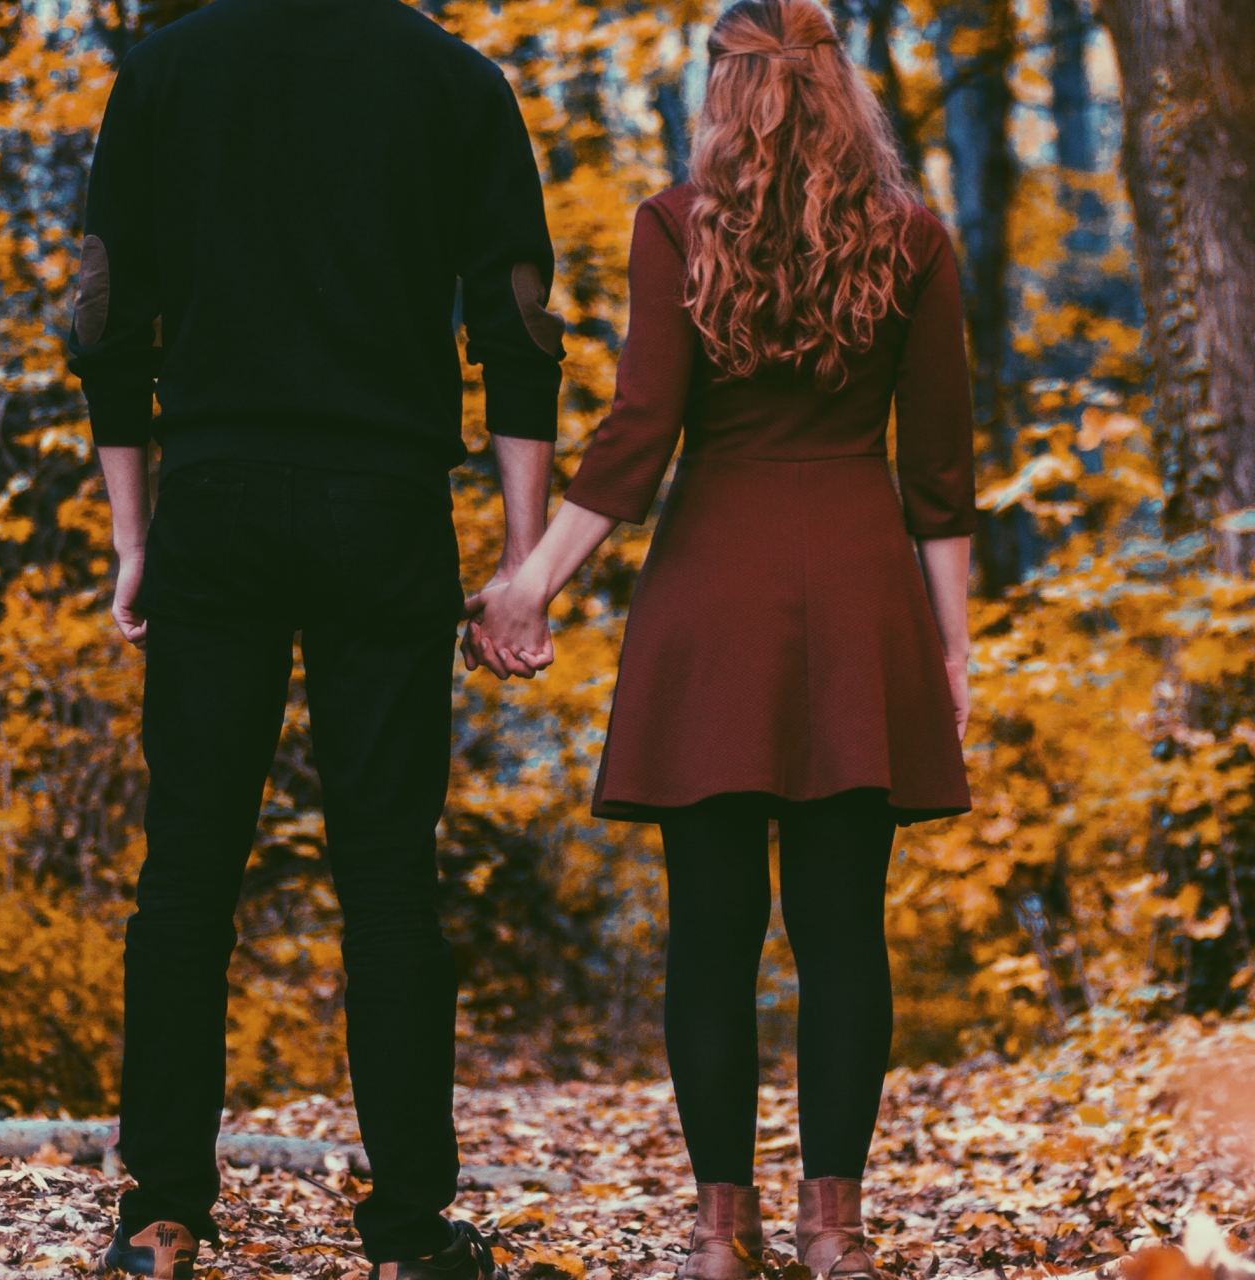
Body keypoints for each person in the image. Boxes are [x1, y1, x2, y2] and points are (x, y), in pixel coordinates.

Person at [464, 2, 975, 1276]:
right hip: (861, 599)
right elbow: (942, 474)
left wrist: (532, 580)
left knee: (711, 929)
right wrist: (953, 650)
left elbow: (640, 434)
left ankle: (716, 1235)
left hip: (712, 602)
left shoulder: (674, 225)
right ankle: (835, 1231)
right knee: (845, 928)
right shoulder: (913, 239)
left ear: (723, 93)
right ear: (842, 90)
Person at [64, 1, 566, 1276]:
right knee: (391, 873)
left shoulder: (166, 71)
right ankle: (408, 1232)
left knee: (186, 872)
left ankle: (161, 1215)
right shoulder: (456, 82)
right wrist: (522, 560)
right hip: (384, 509)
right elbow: (515, 326)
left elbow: (109, 316)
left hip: (219, 501)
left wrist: (135, 534)